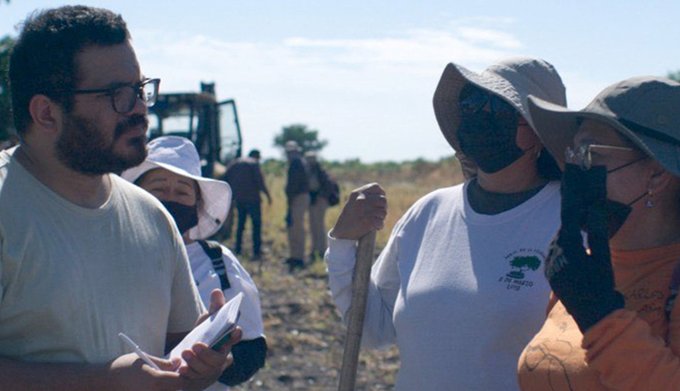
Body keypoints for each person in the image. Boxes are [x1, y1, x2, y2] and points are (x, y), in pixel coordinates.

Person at [0, 6, 239, 390]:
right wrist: (99, 381)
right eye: (118, 95)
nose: (141, 109)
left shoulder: (152, 216)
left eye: (141, 89)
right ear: (46, 113)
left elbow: (174, 347)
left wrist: (201, 359)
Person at [326, 57, 567, 390]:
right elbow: (372, 329)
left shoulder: (572, 220)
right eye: (471, 103)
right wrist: (343, 244)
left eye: (498, 109)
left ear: (540, 132)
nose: (480, 116)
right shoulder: (428, 212)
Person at [517, 77, 680, 390]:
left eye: (590, 153)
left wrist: (602, 318)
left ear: (657, 174)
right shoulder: (584, 269)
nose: (575, 168)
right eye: (572, 153)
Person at [122, 136, 267, 390]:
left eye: (182, 192)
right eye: (158, 189)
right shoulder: (112, 256)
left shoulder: (218, 261)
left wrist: (217, 364)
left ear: (197, 205)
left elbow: (251, 350)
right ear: (135, 195)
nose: (170, 199)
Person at [224, 149, 272, 260]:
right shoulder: (253, 163)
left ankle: (238, 249)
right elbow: (260, 182)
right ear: (257, 156)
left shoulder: (235, 163)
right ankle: (256, 250)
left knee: (240, 224)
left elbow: (225, 178)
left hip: (239, 200)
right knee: (256, 225)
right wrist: (268, 196)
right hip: (253, 200)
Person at [284, 140, 310, 271]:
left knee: (297, 228)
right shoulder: (299, 162)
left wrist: (290, 199)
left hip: (298, 197)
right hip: (298, 197)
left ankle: (298, 257)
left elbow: (294, 184)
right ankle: (295, 255)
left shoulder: (296, 163)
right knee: (294, 227)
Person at [305, 151, 335, 261]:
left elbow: (327, 186)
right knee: (314, 226)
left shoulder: (319, 172)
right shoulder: (311, 171)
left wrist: (321, 197)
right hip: (313, 201)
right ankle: (315, 250)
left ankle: (321, 250)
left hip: (319, 201)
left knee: (319, 226)